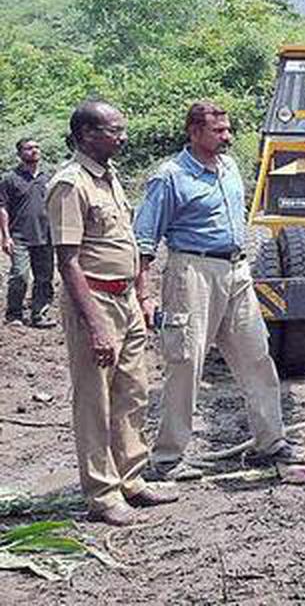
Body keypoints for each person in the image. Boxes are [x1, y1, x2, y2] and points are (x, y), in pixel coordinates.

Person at [134, 102, 305, 480]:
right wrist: (143, 295)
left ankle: (270, 442)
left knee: (257, 357)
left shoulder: (228, 167)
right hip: (192, 271)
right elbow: (144, 240)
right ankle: (167, 458)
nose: (227, 137)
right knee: (186, 362)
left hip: (236, 270)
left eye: (228, 130)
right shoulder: (170, 177)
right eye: (219, 131)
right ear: (194, 132)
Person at [47, 101, 178, 525]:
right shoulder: (70, 185)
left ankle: (131, 478)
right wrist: (97, 323)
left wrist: (140, 296)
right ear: (86, 134)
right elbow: (68, 262)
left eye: (122, 129)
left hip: (124, 300)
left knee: (133, 392)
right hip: (95, 303)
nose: (122, 137)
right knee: (95, 400)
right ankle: (103, 495)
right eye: (113, 130)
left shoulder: (110, 178)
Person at [1, 138, 56, 327]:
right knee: (20, 276)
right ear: (20, 154)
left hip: (46, 236)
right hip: (19, 236)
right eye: (29, 148)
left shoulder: (48, 178)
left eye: (36, 147)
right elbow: (3, 208)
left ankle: (39, 314)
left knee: (44, 278)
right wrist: (6, 237)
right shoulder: (10, 179)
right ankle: (14, 315)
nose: (34, 151)